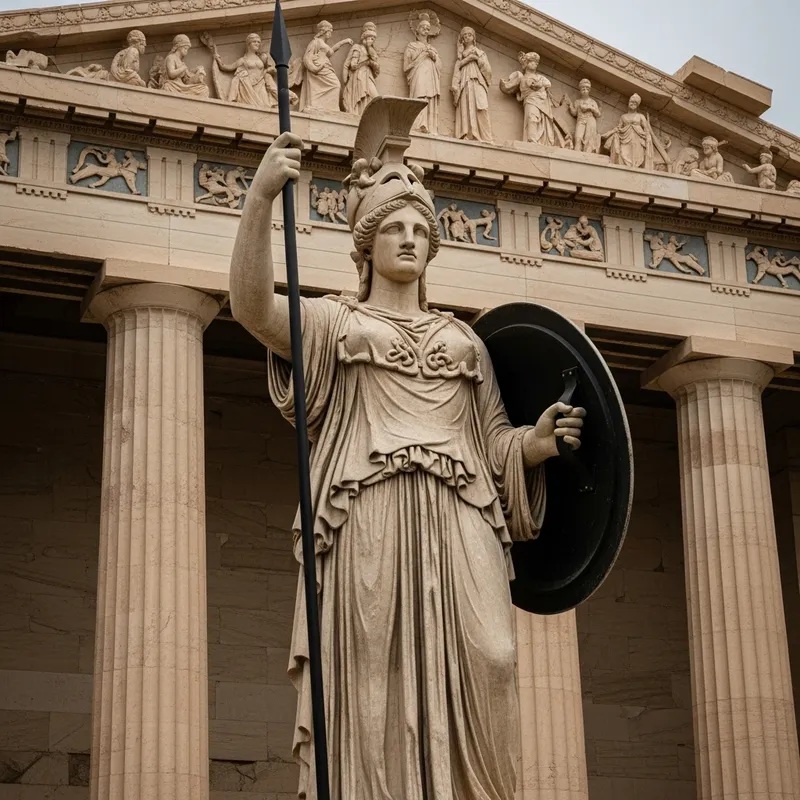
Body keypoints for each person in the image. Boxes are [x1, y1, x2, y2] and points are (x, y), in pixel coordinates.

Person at [228, 99, 586, 799]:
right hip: (370, 510)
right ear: (366, 246)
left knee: (494, 655)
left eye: (421, 229)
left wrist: (533, 446)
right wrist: (261, 198)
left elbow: (490, 441)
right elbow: (253, 309)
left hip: (461, 516)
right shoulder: (334, 323)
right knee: (372, 675)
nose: (409, 239)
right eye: (393, 227)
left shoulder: (465, 341)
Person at [500, 51, 569, 147]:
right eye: (532, 62)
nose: (535, 64)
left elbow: (548, 83)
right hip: (530, 100)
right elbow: (514, 87)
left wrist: (540, 84)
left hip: (542, 102)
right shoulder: (522, 77)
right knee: (532, 118)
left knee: (542, 121)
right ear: (526, 63)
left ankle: (541, 141)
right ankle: (532, 139)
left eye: (536, 62)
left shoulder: (540, 77)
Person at [298, 20, 352, 112]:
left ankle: (331, 108)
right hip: (319, 70)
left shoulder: (324, 44)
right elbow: (306, 58)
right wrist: (314, 68)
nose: (330, 34)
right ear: (324, 31)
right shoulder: (315, 42)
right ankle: (319, 106)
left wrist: (344, 41)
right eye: (329, 31)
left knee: (336, 85)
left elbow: (331, 51)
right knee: (335, 85)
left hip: (326, 68)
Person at [451, 26, 493, 143]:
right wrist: (469, 58)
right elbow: (457, 68)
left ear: (474, 37)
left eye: (469, 35)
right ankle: (468, 134)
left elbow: (488, 70)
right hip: (465, 81)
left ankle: (485, 137)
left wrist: (476, 58)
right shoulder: (460, 56)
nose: (467, 37)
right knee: (466, 106)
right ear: (462, 39)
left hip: (477, 81)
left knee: (481, 106)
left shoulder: (480, 52)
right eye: (464, 35)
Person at [404, 12, 441, 134]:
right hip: (418, 74)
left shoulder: (432, 48)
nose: (425, 30)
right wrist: (421, 56)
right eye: (423, 28)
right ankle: (418, 124)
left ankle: (429, 125)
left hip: (431, 75)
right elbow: (406, 66)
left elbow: (440, 67)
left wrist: (434, 57)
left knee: (429, 98)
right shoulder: (411, 46)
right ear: (417, 30)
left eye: (428, 28)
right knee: (419, 95)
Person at [214, 33, 273, 107]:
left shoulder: (262, 58)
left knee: (266, 106)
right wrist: (218, 60)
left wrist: (269, 71)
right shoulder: (243, 60)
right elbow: (227, 68)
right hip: (248, 87)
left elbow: (269, 68)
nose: (257, 44)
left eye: (258, 42)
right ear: (248, 44)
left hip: (260, 84)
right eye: (254, 41)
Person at [602, 93, 655, 169]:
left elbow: (646, 129)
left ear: (637, 105)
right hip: (625, 138)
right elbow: (619, 127)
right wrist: (612, 132)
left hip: (638, 139)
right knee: (624, 153)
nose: (633, 104)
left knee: (637, 155)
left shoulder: (640, 116)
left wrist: (647, 137)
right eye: (631, 102)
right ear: (628, 103)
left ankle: (635, 166)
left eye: (635, 103)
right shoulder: (623, 116)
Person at [342, 22, 380, 116]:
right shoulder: (357, 47)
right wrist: (365, 62)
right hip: (359, 77)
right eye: (370, 38)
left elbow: (377, 70)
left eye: (373, 39)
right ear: (365, 38)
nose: (372, 40)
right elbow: (352, 65)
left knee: (375, 98)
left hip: (368, 76)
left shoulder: (372, 51)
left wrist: (370, 60)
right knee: (366, 98)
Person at [568, 78, 601, 153]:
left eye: (587, 89)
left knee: (588, 138)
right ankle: (577, 153)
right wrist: (570, 105)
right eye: (583, 89)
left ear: (589, 90)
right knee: (578, 137)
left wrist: (590, 108)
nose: (585, 90)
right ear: (580, 90)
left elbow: (598, 114)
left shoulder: (592, 102)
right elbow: (574, 113)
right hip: (580, 121)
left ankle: (587, 154)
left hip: (590, 120)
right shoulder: (577, 102)